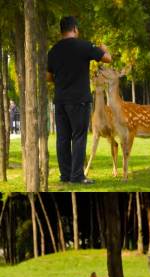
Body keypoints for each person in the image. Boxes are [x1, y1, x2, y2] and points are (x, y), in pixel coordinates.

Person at [47, 16, 112, 184]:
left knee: (62, 138)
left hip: (60, 101)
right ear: (75, 29)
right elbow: (107, 59)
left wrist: (62, 82)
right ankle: (77, 176)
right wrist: (104, 48)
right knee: (78, 137)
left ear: (61, 31)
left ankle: (65, 176)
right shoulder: (84, 46)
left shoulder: (53, 50)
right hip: (79, 101)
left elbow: (48, 76)